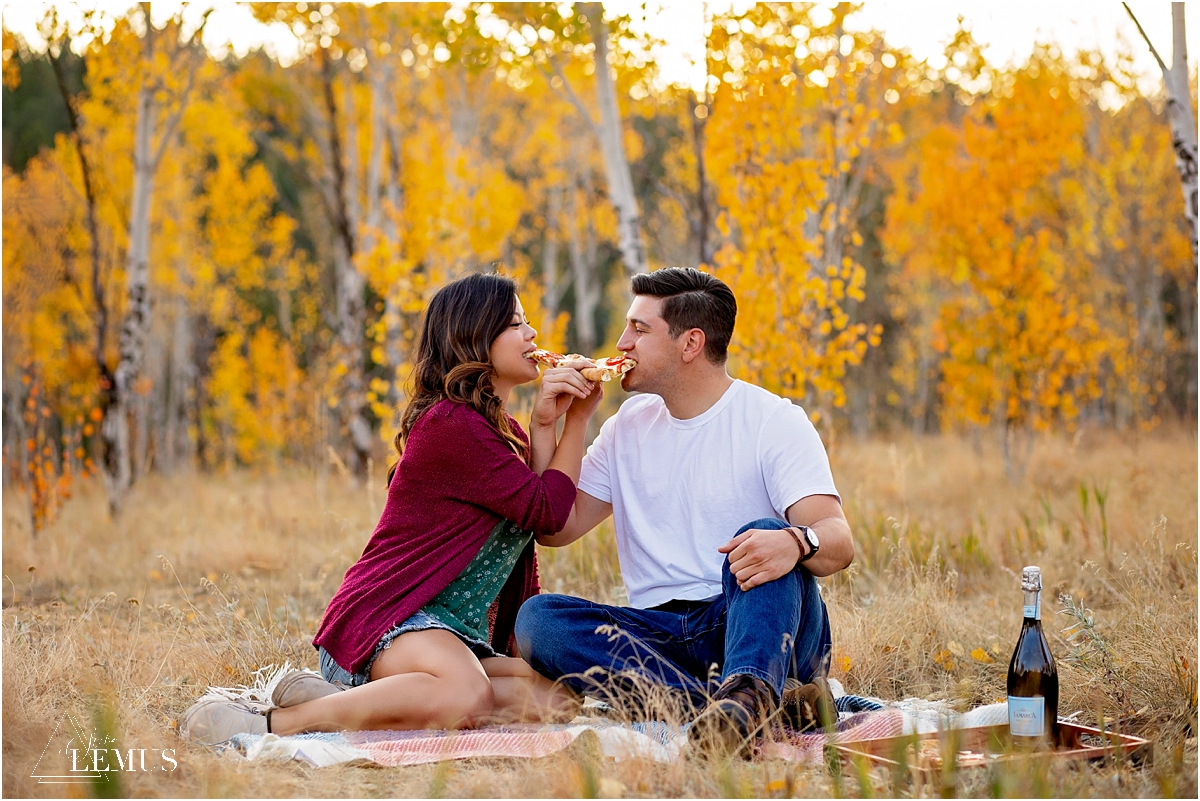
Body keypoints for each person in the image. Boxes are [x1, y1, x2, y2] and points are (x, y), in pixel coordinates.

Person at [181, 273, 600, 745]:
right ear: (476, 336)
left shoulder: (503, 432)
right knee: (467, 695)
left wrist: (545, 423)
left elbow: (537, 513)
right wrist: (579, 421)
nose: (532, 335)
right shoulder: (452, 425)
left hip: (453, 639)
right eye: (516, 324)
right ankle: (271, 723)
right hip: (390, 622)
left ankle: (349, 700)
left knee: (557, 699)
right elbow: (547, 511)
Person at [514, 267, 854, 752]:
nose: (621, 342)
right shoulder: (626, 425)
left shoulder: (772, 421)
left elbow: (838, 540)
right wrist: (552, 424)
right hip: (662, 635)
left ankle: (748, 690)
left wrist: (795, 540)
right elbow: (555, 527)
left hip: (755, 618)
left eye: (639, 329)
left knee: (763, 536)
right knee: (538, 620)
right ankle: (733, 710)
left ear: (690, 343)